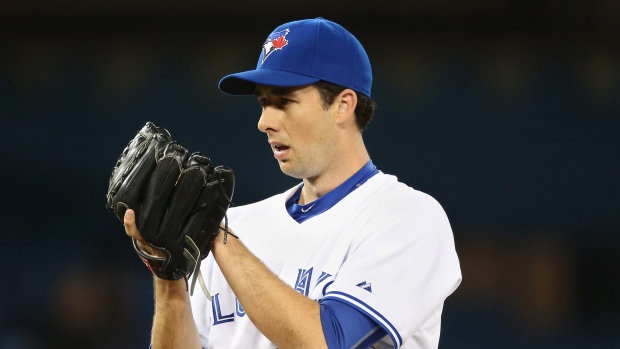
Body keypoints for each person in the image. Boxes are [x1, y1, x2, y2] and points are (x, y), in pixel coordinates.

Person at [123, 17, 462, 349]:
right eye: (263, 103)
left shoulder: (408, 218)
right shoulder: (235, 226)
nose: (264, 122)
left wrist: (216, 234)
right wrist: (167, 280)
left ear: (343, 105)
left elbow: (326, 341)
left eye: (284, 101)